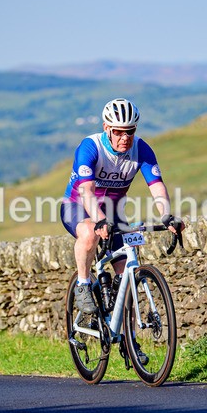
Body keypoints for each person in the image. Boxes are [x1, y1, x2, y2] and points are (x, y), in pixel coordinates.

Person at [60, 98, 184, 318]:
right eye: (118, 132)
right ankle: (83, 284)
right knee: (89, 233)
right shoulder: (90, 146)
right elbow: (86, 191)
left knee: (127, 281)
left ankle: (129, 343)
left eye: (130, 131)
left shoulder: (141, 150)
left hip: (114, 213)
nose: (125, 138)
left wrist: (166, 215)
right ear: (106, 128)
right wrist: (99, 220)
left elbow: (156, 186)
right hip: (78, 207)